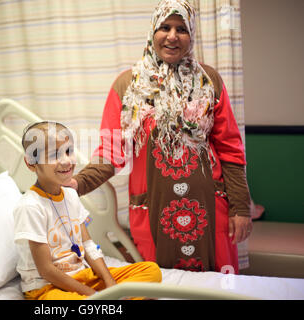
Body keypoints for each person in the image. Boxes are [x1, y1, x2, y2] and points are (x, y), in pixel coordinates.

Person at [67, 0, 252, 274]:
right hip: (152, 210)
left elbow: (230, 149)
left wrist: (241, 207)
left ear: (191, 35)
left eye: (181, 29)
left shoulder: (208, 81)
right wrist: (76, 184)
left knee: (215, 288)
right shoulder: (127, 85)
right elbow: (111, 151)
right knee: (158, 285)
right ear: (153, 31)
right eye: (165, 27)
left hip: (210, 209)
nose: (172, 36)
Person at [13, 121, 162, 300]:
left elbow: (89, 245)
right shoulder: (31, 207)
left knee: (151, 271)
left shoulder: (70, 196)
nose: (66, 161)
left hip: (82, 277)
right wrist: (93, 295)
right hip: (47, 287)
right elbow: (47, 271)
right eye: (54, 155)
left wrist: (110, 286)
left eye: (68, 151)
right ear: (31, 163)